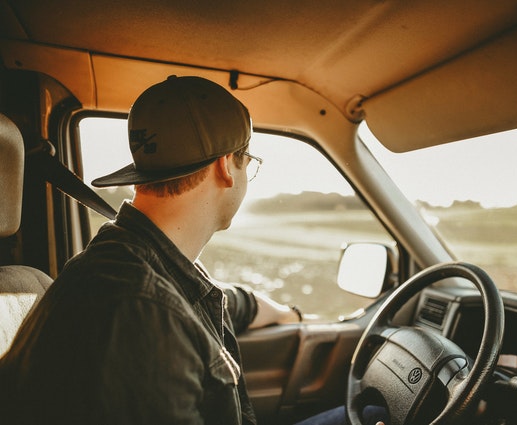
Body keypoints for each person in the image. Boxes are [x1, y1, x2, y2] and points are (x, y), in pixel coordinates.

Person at [0, 75, 385, 425]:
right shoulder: (141, 316)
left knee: (367, 414)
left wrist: (289, 314)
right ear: (224, 168)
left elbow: (219, 301)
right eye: (247, 161)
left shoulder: (135, 259)